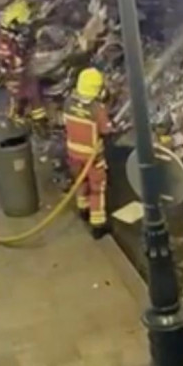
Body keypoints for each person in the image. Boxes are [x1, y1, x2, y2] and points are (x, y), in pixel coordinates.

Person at [63, 67, 112, 238]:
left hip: (73, 153)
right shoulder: (96, 109)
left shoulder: (68, 102)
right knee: (97, 188)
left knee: (80, 181)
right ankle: (98, 224)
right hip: (92, 157)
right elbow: (106, 130)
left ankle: (83, 208)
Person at [0, 0, 46, 126]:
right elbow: (20, 57)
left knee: (25, 97)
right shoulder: (7, 42)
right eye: (23, 24)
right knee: (27, 98)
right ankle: (25, 123)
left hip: (15, 75)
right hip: (18, 76)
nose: (25, 27)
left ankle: (27, 119)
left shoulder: (0, 36)